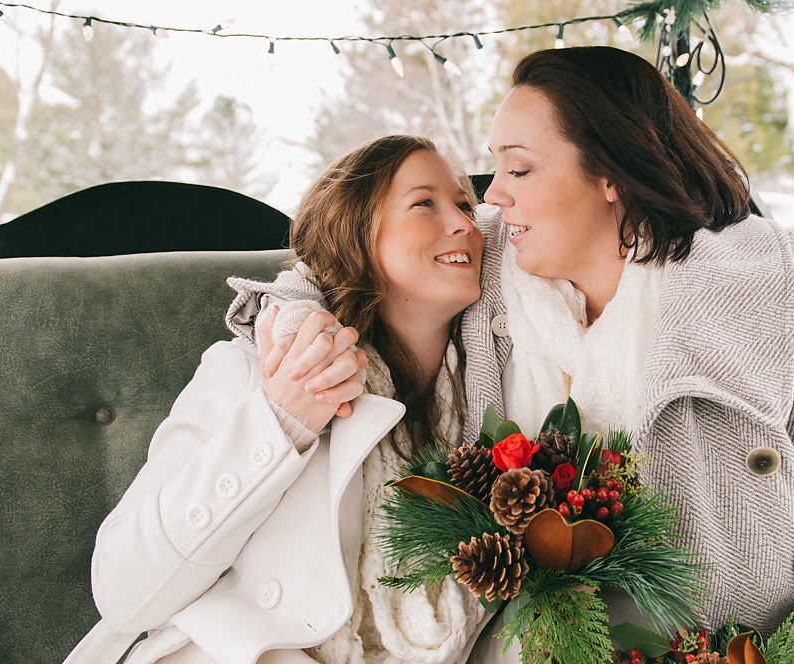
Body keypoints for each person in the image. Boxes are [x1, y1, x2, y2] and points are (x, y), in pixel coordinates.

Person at [459, 46, 794, 662]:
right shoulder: (475, 262)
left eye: (520, 170)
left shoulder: (782, 280)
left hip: (749, 641)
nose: (493, 193)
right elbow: (335, 244)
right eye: (495, 168)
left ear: (611, 174)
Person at [65, 135, 488, 663]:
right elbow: (123, 590)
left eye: (467, 204)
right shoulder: (254, 366)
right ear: (356, 235)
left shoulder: (493, 396)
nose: (465, 224)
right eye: (425, 202)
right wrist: (280, 421)